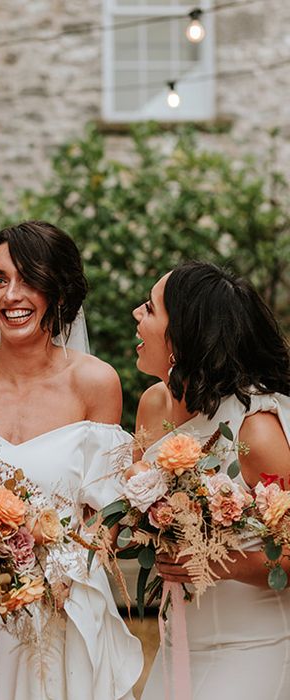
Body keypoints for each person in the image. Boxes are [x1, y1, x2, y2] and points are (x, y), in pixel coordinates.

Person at [0, 220, 143, 699]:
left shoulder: (95, 384)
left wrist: (56, 567)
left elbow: (108, 513)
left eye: (29, 279)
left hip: (60, 615)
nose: (11, 295)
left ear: (58, 291)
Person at [134, 261, 290, 699]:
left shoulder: (255, 431)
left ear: (183, 336)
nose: (136, 315)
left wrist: (223, 563)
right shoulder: (154, 405)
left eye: (149, 308)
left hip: (254, 647)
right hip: (177, 646)